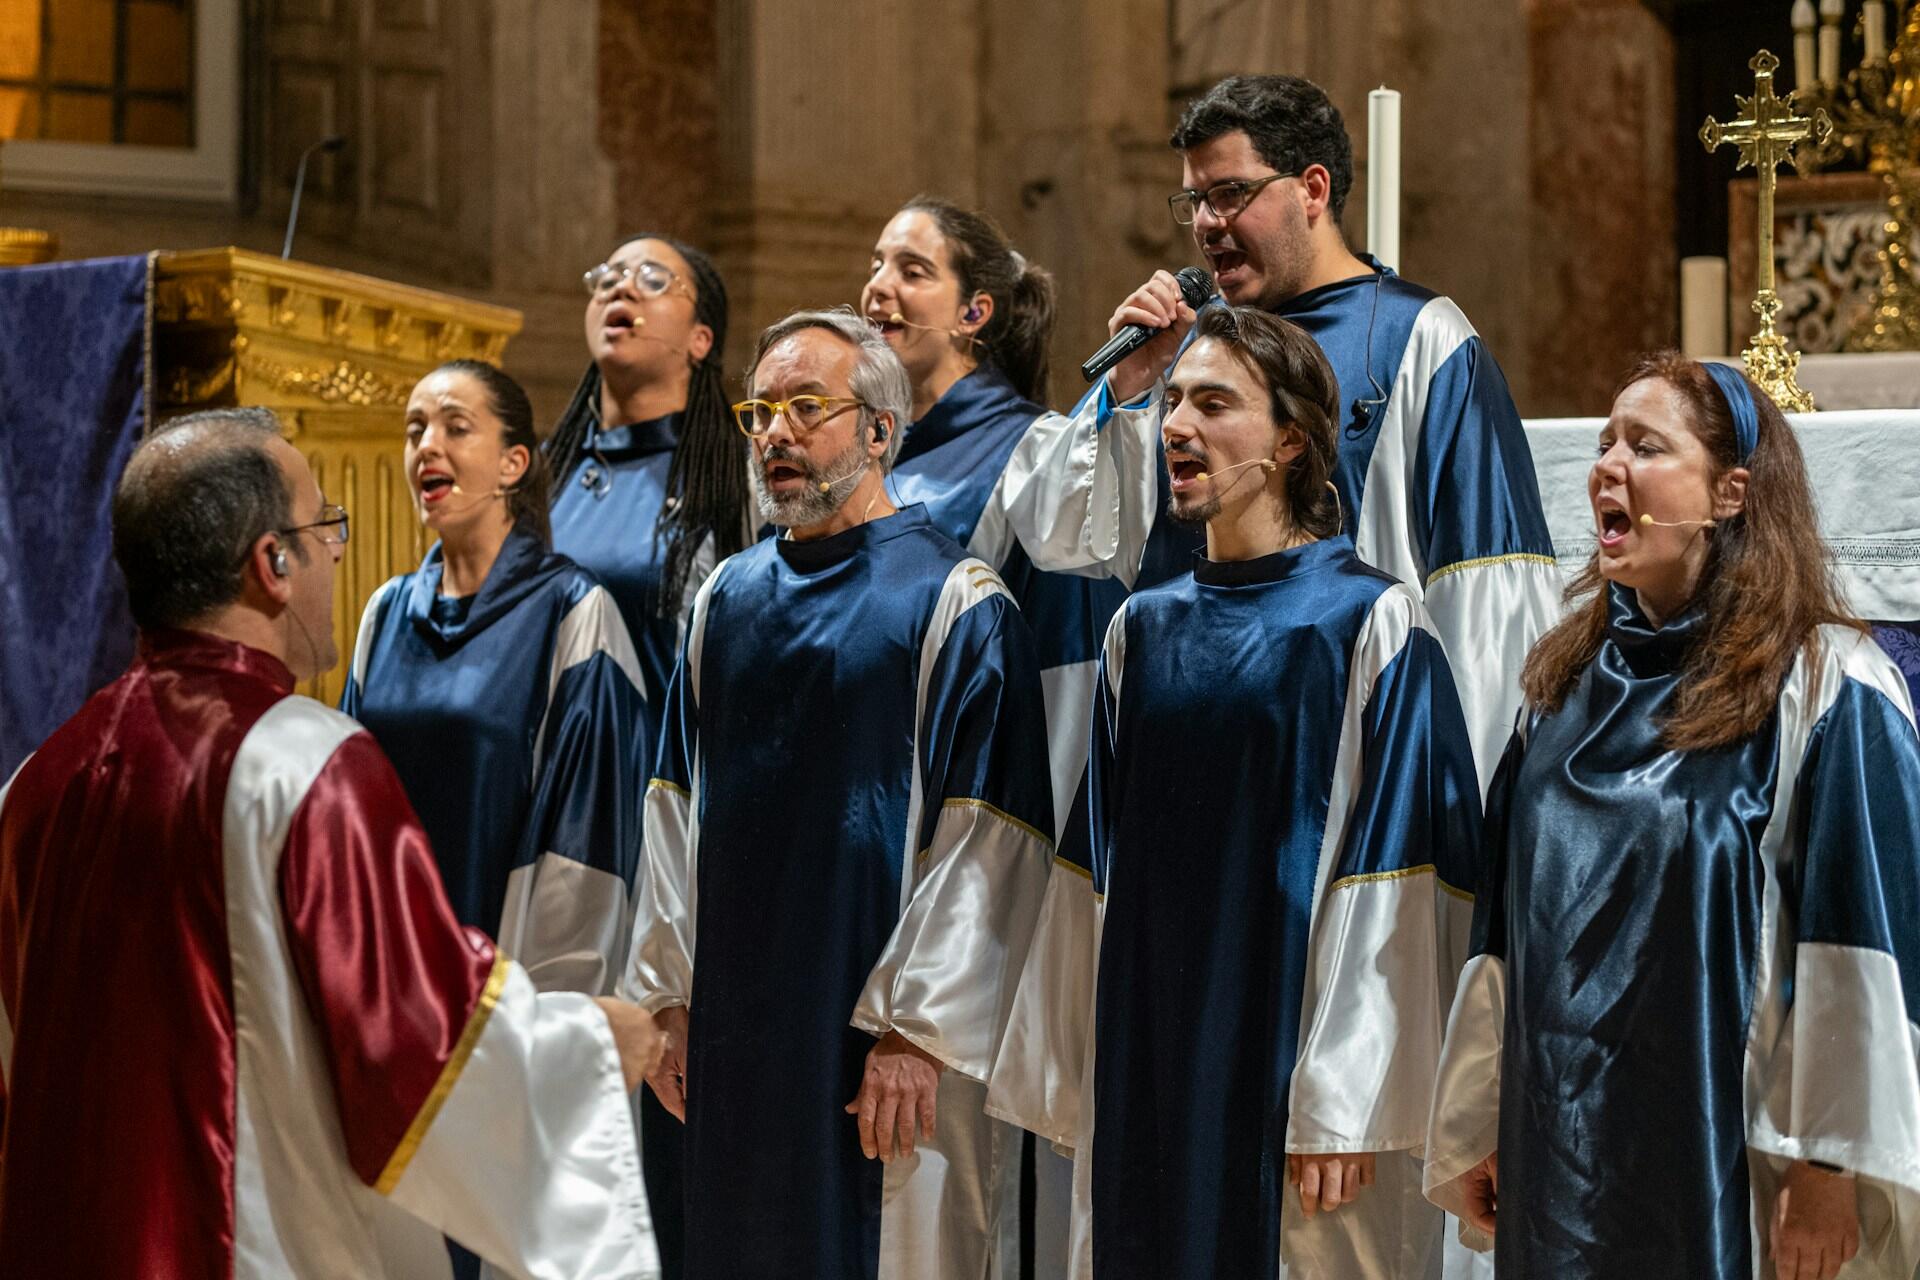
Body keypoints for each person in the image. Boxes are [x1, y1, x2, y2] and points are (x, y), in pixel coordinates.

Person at [0, 408, 664, 1278]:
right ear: (272, 564)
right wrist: (587, 1046)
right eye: (325, 527)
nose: (340, 552)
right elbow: (416, 1054)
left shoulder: (37, 781)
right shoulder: (302, 763)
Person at [989, 307, 1479, 1280]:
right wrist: (1075, 1075)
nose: (1176, 424)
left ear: (1293, 438)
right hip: (1153, 1054)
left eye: (1214, 403)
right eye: (1173, 401)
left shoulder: (1372, 622)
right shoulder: (1145, 627)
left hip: (1295, 1071)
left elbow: (1406, 874)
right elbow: (1095, 864)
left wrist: (1347, 1091)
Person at [1423, 354, 1920, 1280]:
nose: (1607, 463)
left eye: (1645, 446)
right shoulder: (1560, 688)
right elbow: (1503, 933)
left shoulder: (1824, 684)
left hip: (1731, 1154)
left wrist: (1827, 1167)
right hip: (1560, 1143)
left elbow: (1862, 934)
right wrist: (1482, 1111)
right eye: (1605, 442)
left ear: (1732, 493)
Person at [622, 308, 1055, 1280]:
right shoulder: (725, 597)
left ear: (878, 430)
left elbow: (994, 834)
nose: (774, 432)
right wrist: (668, 996)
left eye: (806, 407)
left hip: (880, 1052)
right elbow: (668, 805)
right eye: (761, 411)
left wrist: (918, 1028)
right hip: (736, 1032)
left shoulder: (956, 600)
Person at [1028, 73, 1561, 793]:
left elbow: (1490, 596)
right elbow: (1061, 539)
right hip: (1182, 751)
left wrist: (1448, 809)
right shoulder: (1189, 354)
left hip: (1339, 764)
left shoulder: (1418, 341)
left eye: (1230, 193)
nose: (1206, 223)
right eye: (1194, 200)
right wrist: (1126, 389)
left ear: (1312, 190)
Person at [539, 234, 746, 1279]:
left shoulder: (726, 478)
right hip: (553, 834)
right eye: (605, 277)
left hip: (664, 830)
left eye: (649, 279)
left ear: (702, 338)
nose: (617, 288)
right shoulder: (543, 473)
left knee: (652, 1112)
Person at [345, 360, 646, 999]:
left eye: (456, 428)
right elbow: (349, 801)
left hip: (505, 991)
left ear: (513, 464)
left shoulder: (574, 610)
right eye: (415, 429)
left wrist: (544, 1020)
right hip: (385, 977)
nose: (427, 445)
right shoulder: (386, 611)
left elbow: (587, 842)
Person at [863, 196, 1127, 827]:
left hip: (973, 799)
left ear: (972, 313)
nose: (878, 287)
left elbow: (1068, 668)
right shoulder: (862, 452)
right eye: (876, 265)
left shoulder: (1031, 450)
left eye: (912, 270)